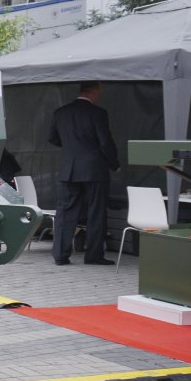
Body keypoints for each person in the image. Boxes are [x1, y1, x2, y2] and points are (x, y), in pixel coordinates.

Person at [47, 80, 120, 265]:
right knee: (96, 211)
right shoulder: (98, 113)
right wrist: (114, 163)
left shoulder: (60, 112)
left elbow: (52, 138)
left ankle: (60, 256)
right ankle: (93, 255)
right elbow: (105, 142)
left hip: (69, 169)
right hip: (94, 169)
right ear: (94, 91)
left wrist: (72, 148)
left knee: (65, 212)